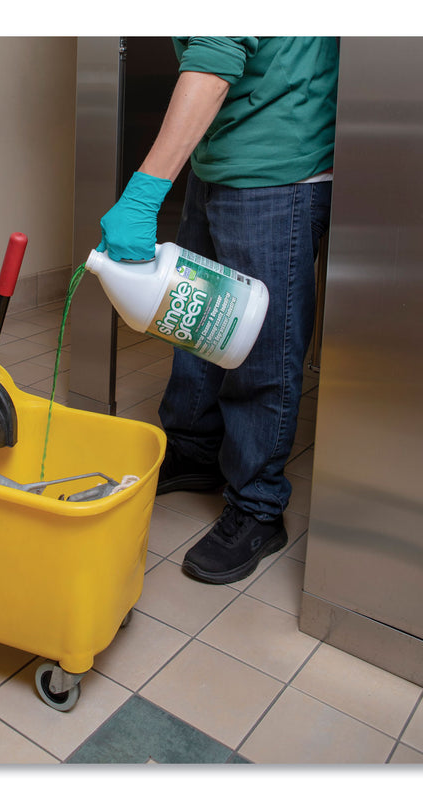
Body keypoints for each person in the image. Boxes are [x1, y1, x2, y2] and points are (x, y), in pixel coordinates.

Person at [97, 37, 338, 585]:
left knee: (261, 347)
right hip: (220, 157)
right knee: (195, 321)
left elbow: (216, 55)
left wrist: (143, 193)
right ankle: (194, 450)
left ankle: (258, 505)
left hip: (277, 167)